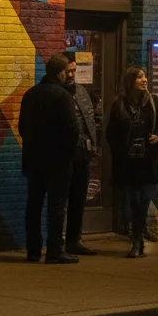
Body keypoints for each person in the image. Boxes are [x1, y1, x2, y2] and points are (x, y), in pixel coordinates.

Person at [18, 53, 81, 264]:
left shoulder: (31, 94)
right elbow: (72, 130)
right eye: (68, 71)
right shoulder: (62, 96)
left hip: (34, 160)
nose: (70, 75)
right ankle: (55, 250)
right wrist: (68, 154)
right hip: (58, 162)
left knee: (33, 206)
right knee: (56, 207)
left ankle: (33, 251)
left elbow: (22, 128)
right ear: (60, 73)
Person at [106, 67, 158, 258]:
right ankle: (136, 237)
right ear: (130, 82)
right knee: (132, 199)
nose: (144, 80)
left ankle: (137, 239)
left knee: (143, 199)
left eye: (145, 76)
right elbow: (111, 133)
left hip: (148, 160)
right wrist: (122, 149)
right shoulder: (119, 104)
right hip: (128, 162)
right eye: (139, 77)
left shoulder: (153, 102)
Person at [63, 54, 99, 256]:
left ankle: (74, 239)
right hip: (64, 155)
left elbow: (90, 118)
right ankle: (59, 239)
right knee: (60, 199)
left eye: (74, 71)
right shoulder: (56, 93)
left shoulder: (81, 91)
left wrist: (93, 145)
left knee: (78, 197)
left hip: (82, 154)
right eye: (69, 71)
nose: (72, 75)